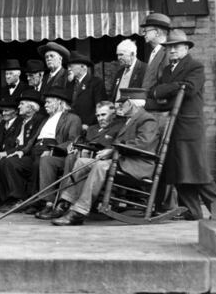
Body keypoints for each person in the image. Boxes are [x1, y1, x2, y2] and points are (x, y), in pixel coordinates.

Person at [51, 88, 159, 226]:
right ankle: (66, 203)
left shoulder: (147, 120)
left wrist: (112, 151)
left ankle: (79, 211)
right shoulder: (130, 119)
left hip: (138, 165)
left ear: (131, 104)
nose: (120, 106)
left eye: (123, 103)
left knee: (100, 165)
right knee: (81, 161)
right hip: (124, 160)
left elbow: (142, 143)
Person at [151, 29, 216, 220]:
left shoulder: (195, 66)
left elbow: (189, 89)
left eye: (176, 47)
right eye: (169, 47)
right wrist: (170, 89)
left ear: (186, 48)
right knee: (180, 169)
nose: (172, 50)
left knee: (196, 170)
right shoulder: (166, 70)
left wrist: (167, 90)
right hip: (173, 125)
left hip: (189, 126)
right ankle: (192, 211)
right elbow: (156, 92)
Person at [35, 100, 122, 220]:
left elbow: (118, 146)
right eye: (97, 115)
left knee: (72, 159)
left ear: (113, 114)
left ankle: (62, 203)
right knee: (47, 160)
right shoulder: (92, 129)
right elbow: (80, 142)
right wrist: (74, 148)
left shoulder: (120, 127)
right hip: (79, 159)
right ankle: (48, 203)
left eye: (103, 115)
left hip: (96, 161)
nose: (100, 118)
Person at [31, 87, 82, 217]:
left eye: (48, 102)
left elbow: (73, 141)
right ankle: (48, 204)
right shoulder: (45, 119)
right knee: (43, 160)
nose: (45, 105)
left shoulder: (72, 118)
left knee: (46, 159)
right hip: (38, 149)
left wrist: (52, 149)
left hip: (61, 154)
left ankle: (58, 204)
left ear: (59, 102)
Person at [0, 90, 46, 212]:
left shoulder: (39, 120)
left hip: (31, 155)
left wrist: (7, 153)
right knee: (0, 162)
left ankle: (18, 198)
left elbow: (29, 143)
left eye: (22, 104)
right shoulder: (21, 120)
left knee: (9, 162)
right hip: (20, 153)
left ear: (31, 106)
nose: (19, 106)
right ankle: (10, 198)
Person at [0, 100, 23, 206]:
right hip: (2, 154)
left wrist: (5, 153)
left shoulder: (20, 122)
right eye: (3, 111)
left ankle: (13, 198)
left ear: (15, 111)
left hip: (13, 154)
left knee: (3, 163)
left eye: (7, 111)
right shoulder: (2, 124)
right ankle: (3, 198)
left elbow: (21, 145)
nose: (4, 113)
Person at [68, 51, 107, 129]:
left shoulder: (96, 82)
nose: (69, 69)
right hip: (71, 125)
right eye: (68, 66)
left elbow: (100, 106)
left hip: (88, 126)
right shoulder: (70, 84)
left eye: (71, 66)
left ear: (83, 66)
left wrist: (88, 124)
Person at [140, 13, 171, 94]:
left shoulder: (168, 52)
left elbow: (165, 83)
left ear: (157, 32)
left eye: (145, 31)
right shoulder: (155, 51)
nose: (143, 34)